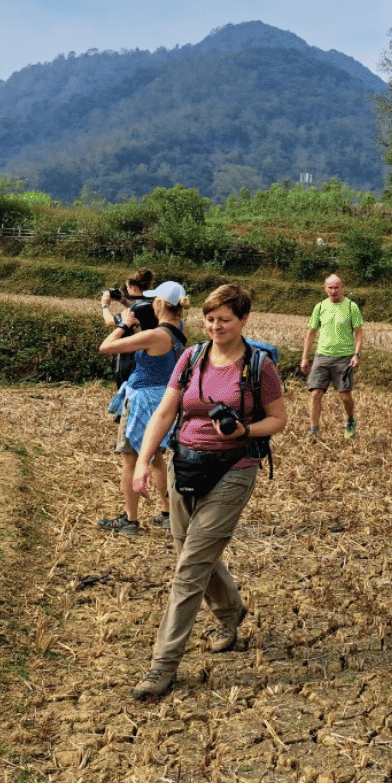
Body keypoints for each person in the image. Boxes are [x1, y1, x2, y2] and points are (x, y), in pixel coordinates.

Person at [128, 283, 287, 701]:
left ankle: (162, 666)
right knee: (191, 554)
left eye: (225, 320)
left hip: (235, 467)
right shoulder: (192, 356)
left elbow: (278, 420)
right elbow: (165, 411)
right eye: (211, 319)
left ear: (244, 321)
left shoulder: (259, 365)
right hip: (186, 464)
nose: (216, 327)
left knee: (189, 570)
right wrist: (143, 462)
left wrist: (245, 429)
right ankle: (231, 612)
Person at [98, 281, 188, 535]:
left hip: (143, 401)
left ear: (159, 303)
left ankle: (131, 519)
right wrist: (135, 321)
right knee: (156, 456)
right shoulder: (176, 330)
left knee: (130, 459)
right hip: (162, 399)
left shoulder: (155, 335)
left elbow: (106, 347)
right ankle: (168, 512)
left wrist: (124, 324)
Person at [299, 274, 364, 439]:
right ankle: (314, 431)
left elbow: (358, 333)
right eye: (330, 287)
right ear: (324, 288)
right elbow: (311, 333)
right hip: (322, 356)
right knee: (315, 393)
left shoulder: (351, 307)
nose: (333, 291)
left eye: (336, 287)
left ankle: (350, 421)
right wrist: (305, 357)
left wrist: (356, 355)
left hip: (344, 357)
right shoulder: (319, 307)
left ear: (342, 288)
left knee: (345, 395)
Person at [100, 267, 155, 389]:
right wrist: (123, 301)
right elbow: (137, 309)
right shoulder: (153, 304)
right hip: (150, 358)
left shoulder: (138, 310)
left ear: (133, 288)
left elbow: (110, 322)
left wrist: (104, 305)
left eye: (128, 288)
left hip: (132, 359)